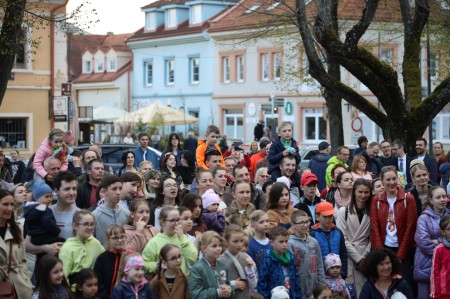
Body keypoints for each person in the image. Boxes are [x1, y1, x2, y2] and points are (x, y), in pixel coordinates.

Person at [370, 166, 417, 288]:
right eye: (388, 180)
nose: (391, 183)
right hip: (385, 248)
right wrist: (381, 253)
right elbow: (374, 227)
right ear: (382, 181)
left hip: (402, 249)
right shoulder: (377, 200)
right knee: (385, 285)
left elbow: (410, 227)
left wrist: (400, 255)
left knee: (403, 285)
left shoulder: (408, 198)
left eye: (394, 179)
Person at [336, 178, 372, 297]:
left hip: (367, 258)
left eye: (366, 192)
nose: (363, 195)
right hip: (350, 259)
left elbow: (374, 237)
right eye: (360, 192)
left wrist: (365, 258)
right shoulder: (343, 211)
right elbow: (342, 239)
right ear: (354, 192)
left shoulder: (373, 212)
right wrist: (359, 259)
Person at [414, 186, 449, 299]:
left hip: (446, 267)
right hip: (426, 267)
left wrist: (437, 241)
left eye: (444, 196)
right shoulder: (423, 218)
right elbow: (424, 242)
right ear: (431, 200)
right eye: (438, 197)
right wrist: (442, 247)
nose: (442, 199)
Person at [142, 206, 198, 276]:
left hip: (183, 280)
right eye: (172, 220)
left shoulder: (183, 238)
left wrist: (183, 237)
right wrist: (157, 265)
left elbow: (193, 259)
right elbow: (143, 264)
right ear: (162, 222)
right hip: (163, 283)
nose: (176, 223)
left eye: (178, 220)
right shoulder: (154, 242)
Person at [59, 210, 105, 290]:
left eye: (92, 224)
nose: (90, 227)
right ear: (75, 226)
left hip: (94, 289)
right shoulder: (68, 247)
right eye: (85, 224)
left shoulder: (96, 243)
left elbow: (105, 259)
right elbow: (63, 275)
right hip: (76, 291)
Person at [0, 189, 34, 299]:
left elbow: (22, 259)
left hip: (20, 286)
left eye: (12, 204)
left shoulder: (18, 228)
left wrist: (25, 280)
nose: (10, 208)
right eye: (5, 204)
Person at [257, 226, 302, 299]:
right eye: (281, 242)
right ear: (271, 242)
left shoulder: (290, 257)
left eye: (286, 241)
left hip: (291, 294)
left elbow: (296, 279)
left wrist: (299, 296)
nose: (284, 244)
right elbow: (262, 283)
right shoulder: (268, 259)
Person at [289, 210, 325, 299]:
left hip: (314, 288)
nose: (305, 225)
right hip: (299, 289)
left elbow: (319, 265)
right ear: (293, 225)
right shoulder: (290, 243)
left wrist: (322, 285)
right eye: (301, 222)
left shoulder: (314, 242)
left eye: (306, 222)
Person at [189, 231, 234, 299]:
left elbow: (229, 284)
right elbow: (196, 295)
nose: (219, 249)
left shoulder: (222, 266)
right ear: (203, 248)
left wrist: (229, 290)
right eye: (214, 246)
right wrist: (217, 292)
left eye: (220, 245)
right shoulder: (197, 268)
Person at [310, 201, 348, 279]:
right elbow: (312, 258)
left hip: (337, 274)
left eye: (330, 216)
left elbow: (343, 253)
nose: (328, 219)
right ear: (317, 217)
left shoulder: (338, 232)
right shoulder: (313, 234)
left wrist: (343, 272)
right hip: (321, 276)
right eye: (325, 216)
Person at [218, 225, 257, 298]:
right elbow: (217, 285)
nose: (239, 244)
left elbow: (253, 285)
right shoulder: (220, 261)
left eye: (241, 241)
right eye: (235, 241)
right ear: (226, 242)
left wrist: (250, 269)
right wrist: (233, 284)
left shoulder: (246, 257)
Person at [92, 176, 129, 247]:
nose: (118, 192)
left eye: (120, 189)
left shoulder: (126, 214)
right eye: (114, 189)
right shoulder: (95, 215)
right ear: (104, 191)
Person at [94, 224, 125, 299]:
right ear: (107, 239)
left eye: (122, 237)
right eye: (115, 238)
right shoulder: (102, 259)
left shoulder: (129, 256)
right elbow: (98, 281)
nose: (120, 240)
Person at [430, 215, 450, 299]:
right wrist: (436, 295)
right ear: (443, 232)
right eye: (449, 229)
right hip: (445, 294)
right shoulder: (439, 249)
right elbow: (435, 274)